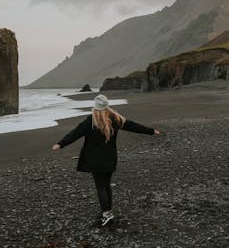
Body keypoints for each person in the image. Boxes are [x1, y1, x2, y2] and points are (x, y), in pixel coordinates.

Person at [52, 94, 160, 227]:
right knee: (106, 185)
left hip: (95, 160)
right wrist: (151, 131)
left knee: (100, 187)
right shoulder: (115, 119)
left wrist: (61, 144)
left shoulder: (91, 121)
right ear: (107, 106)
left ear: (95, 107)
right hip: (110, 159)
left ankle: (106, 214)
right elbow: (132, 126)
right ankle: (108, 212)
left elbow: (76, 133)